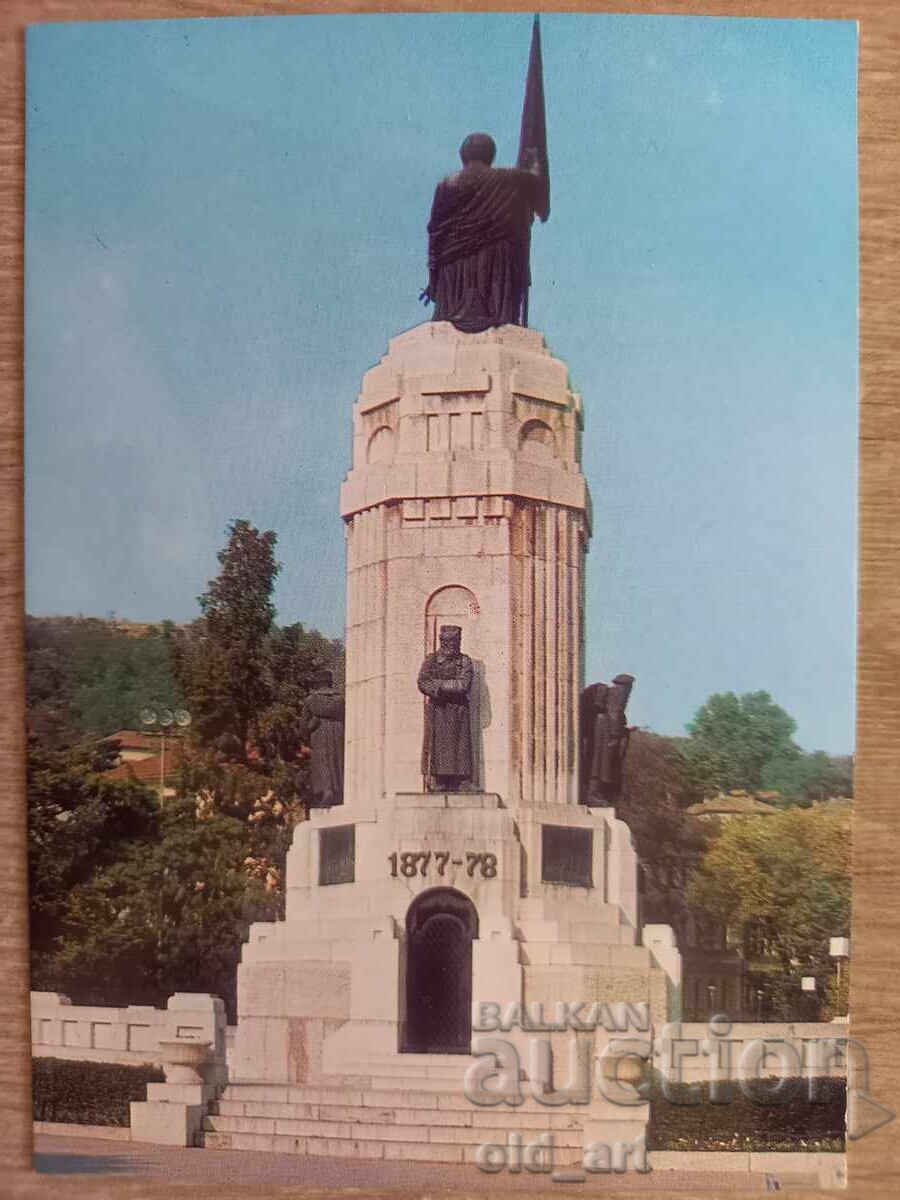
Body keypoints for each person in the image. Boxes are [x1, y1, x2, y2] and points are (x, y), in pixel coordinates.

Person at [422, 132, 549, 333]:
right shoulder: (511, 179)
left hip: (454, 274)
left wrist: (433, 280)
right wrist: (534, 158)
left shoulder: (446, 185)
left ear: (463, 154)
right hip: (495, 269)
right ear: (491, 155)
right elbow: (538, 184)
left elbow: (435, 234)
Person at [417, 625, 474, 791]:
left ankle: (462, 780)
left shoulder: (465, 661)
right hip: (438, 710)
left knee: (461, 746)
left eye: (455, 641)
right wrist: (445, 687)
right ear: (442, 641)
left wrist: (439, 685)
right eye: (448, 641)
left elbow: (464, 685)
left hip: (458, 711)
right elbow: (422, 682)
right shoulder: (432, 660)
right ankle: (438, 779)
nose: (452, 645)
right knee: (438, 745)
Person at [298, 668, 345, 808]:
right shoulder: (340, 699)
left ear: (318, 683)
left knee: (322, 762)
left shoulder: (311, 700)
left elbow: (303, 724)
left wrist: (307, 731)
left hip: (319, 733)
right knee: (337, 761)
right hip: (338, 732)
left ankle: (327, 791)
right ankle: (338, 792)